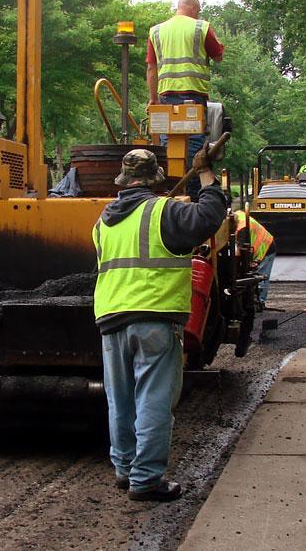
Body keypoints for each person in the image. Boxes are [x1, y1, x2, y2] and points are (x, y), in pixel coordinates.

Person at [92, 147, 226, 502]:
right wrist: (207, 175)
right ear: (155, 179)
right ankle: (147, 479)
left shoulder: (103, 221)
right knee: (153, 397)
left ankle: (125, 469)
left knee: (119, 400)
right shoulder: (163, 211)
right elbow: (211, 215)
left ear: (123, 180)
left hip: (110, 318)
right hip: (154, 315)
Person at [146, 0, 225, 196]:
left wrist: (153, 98)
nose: (197, 15)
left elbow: (151, 69)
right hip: (193, 97)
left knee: (168, 147)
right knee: (195, 147)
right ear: (192, 7)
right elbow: (218, 57)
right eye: (197, 11)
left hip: (165, 99)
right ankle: (193, 197)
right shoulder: (201, 27)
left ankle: (172, 193)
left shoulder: (156, 31)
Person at [234, 210, 276, 310]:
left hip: (266, 248)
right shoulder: (238, 215)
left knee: (261, 277)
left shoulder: (242, 228)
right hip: (259, 246)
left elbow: (239, 251)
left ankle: (260, 303)